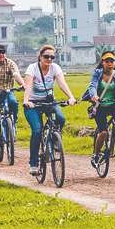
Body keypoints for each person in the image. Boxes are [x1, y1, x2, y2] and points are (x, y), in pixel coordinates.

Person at [22, 45, 76, 175]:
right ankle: (34, 164)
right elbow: (28, 85)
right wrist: (26, 100)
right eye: (46, 56)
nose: (49, 59)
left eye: (52, 57)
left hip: (49, 101)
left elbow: (62, 83)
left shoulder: (55, 68)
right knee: (37, 130)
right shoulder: (32, 68)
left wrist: (71, 97)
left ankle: (54, 140)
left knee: (61, 118)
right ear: (40, 57)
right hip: (33, 104)